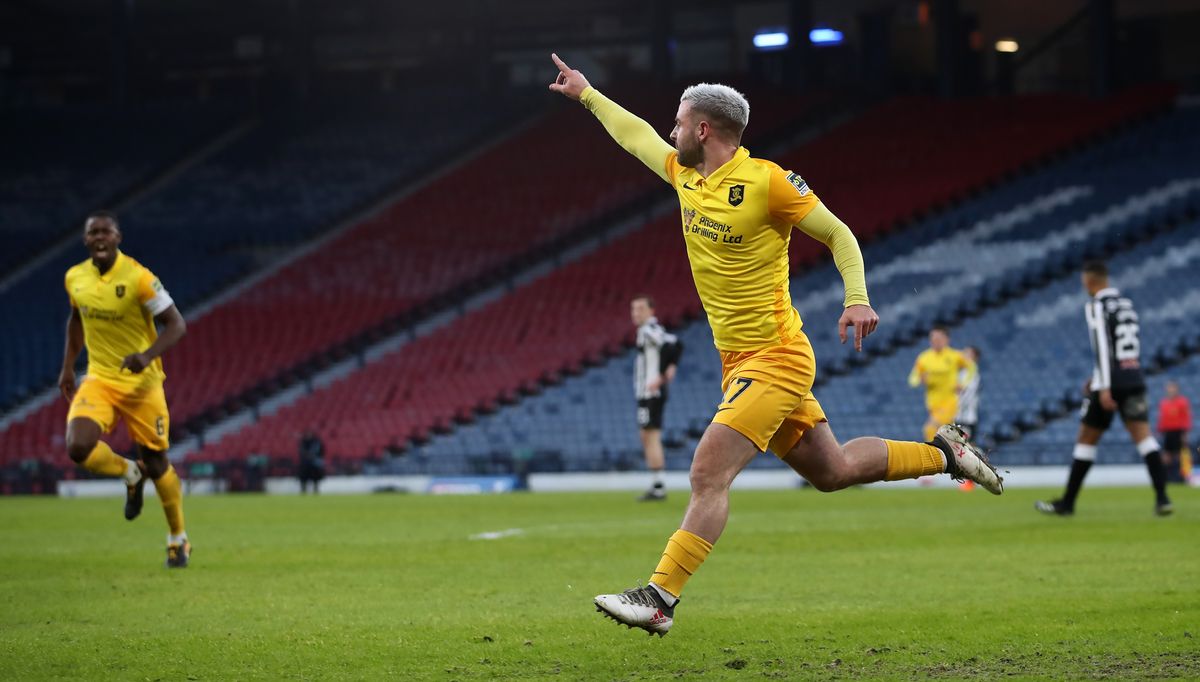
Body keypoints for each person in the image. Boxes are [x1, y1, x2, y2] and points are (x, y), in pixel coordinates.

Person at [549, 53, 1002, 637]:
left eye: (680, 122)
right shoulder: (687, 173)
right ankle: (946, 454)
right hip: (738, 359)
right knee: (832, 470)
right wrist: (588, 94)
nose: (672, 131)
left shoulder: (768, 182)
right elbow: (634, 135)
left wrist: (856, 298)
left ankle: (660, 597)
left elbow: (838, 233)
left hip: (777, 357)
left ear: (703, 129)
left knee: (707, 473)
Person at [58, 211, 190, 567]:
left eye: (106, 231)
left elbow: (177, 325)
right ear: (86, 240)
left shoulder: (140, 278)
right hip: (100, 377)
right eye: (93, 232)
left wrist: (147, 356)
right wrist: (68, 366)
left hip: (143, 385)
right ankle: (130, 474)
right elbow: (76, 319)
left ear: (117, 237)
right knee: (78, 446)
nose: (99, 237)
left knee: (158, 461)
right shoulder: (75, 278)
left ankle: (178, 538)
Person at [1036, 261, 1172, 517]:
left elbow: (1102, 345)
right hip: (1134, 378)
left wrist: (1105, 384)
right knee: (1145, 438)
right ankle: (1163, 498)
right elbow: (1126, 347)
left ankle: (1067, 503)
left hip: (1110, 383)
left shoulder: (1097, 305)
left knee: (1086, 439)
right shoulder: (1126, 304)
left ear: (1089, 280)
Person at [631, 295, 682, 501]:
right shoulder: (647, 330)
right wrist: (669, 368)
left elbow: (675, 343)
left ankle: (658, 487)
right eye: (634, 309)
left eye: (641, 308)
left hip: (651, 392)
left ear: (652, 311)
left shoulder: (649, 330)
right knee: (647, 436)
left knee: (650, 436)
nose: (636, 313)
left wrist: (663, 373)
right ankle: (657, 484)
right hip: (648, 392)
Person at [908, 327, 977, 443]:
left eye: (938, 338)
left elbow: (972, 367)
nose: (935, 341)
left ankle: (934, 456)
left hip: (949, 402)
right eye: (933, 339)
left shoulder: (955, 356)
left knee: (930, 428)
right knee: (945, 435)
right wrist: (920, 379)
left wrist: (963, 384)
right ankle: (954, 455)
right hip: (932, 404)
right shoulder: (924, 358)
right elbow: (912, 379)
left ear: (946, 340)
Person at [1156, 380, 1192, 483]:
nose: (1170, 390)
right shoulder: (1164, 403)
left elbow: (1186, 417)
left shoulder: (1182, 402)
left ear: (1177, 389)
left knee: (1180, 455)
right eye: (1169, 388)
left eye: (1172, 388)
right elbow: (1162, 418)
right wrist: (1160, 430)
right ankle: (1166, 477)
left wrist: (1184, 433)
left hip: (1179, 431)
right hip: (1167, 432)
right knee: (1167, 456)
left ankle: (1182, 477)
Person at [955, 346, 982, 440]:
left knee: (964, 448)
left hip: (965, 418)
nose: (963, 355)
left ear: (975, 358)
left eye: (967, 353)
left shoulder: (972, 373)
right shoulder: (960, 371)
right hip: (958, 416)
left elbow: (967, 394)